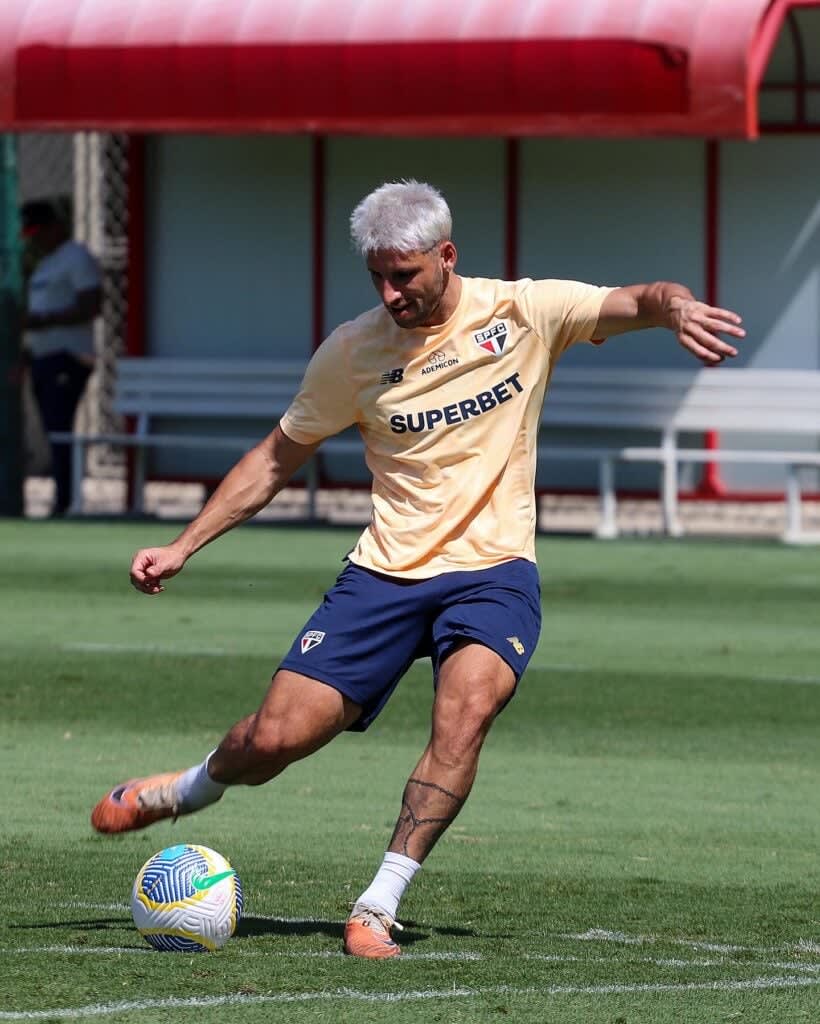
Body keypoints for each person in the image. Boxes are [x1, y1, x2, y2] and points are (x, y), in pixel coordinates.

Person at [90, 180, 744, 958]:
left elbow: (636, 299)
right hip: (385, 573)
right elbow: (275, 459)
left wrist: (674, 306)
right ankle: (188, 789)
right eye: (378, 277)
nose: (391, 292)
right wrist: (184, 543)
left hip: (495, 569)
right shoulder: (352, 352)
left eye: (405, 275)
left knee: (464, 715)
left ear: (446, 256)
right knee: (275, 738)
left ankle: (377, 902)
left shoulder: (524, 310)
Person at [21, 199, 102, 517]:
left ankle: (65, 501)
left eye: (40, 233)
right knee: (52, 429)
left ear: (56, 227)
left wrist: (42, 321)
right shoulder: (44, 264)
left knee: (60, 427)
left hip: (68, 357)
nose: (36, 241)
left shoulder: (76, 257)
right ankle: (63, 497)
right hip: (42, 356)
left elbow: (90, 306)